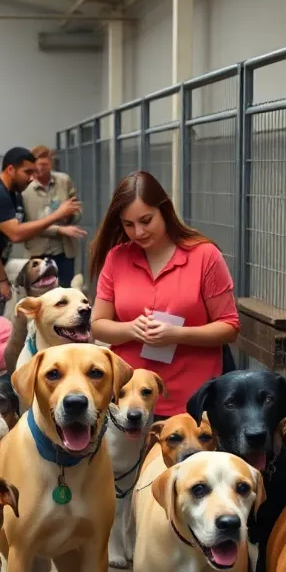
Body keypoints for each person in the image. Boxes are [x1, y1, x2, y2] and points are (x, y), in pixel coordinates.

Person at [89, 171, 240, 419]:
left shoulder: (204, 256)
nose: (138, 232)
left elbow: (230, 326)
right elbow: (98, 325)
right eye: (128, 225)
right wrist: (131, 329)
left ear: (164, 210)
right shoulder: (117, 258)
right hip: (129, 401)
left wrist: (177, 334)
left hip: (190, 402)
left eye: (146, 220)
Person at [0, 147, 82, 314]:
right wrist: (2, 280)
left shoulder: (12, 194)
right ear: (11, 169)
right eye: (28, 172)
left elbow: (23, 228)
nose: (32, 178)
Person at [21, 145, 86, 287]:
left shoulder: (64, 181)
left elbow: (77, 209)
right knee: (40, 293)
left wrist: (69, 217)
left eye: (45, 164)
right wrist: (59, 229)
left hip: (64, 250)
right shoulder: (25, 189)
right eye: (37, 165)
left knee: (63, 290)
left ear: (51, 163)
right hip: (37, 252)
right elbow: (27, 226)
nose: (40, 169)